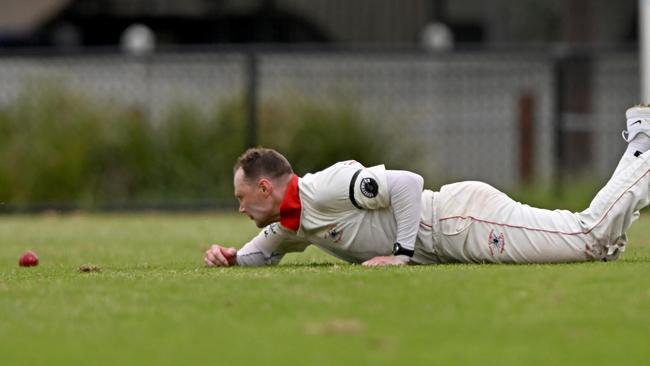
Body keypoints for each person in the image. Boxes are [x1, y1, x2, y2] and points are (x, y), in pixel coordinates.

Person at [204, 105, 650, 267]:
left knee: (588, 236)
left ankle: (644, 141)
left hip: (461, 221)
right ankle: (642, 139)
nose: (240, 209)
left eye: (242, 199)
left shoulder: (324, 188)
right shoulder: (290, 222)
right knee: (604, 248)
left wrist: (400, 256)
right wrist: (230, 257)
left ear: (265, 188)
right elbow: (263, 251)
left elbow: (407, 183)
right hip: (454, 230)